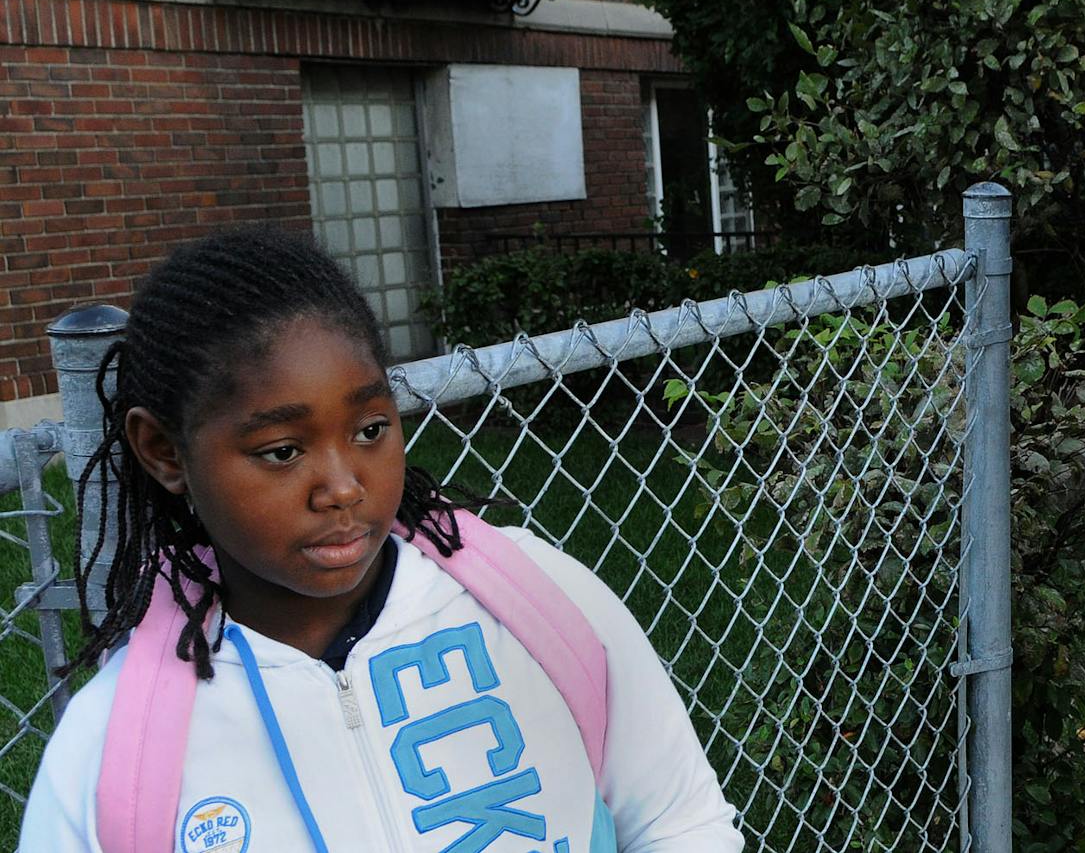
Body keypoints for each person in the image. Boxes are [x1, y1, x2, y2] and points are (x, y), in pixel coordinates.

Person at [20, 226, 744, 852]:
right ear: (164, 451)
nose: (342, 486)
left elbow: (681, 820)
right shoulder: (119, 746)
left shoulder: (536, 599)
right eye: (281, 449)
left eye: (370, 430)